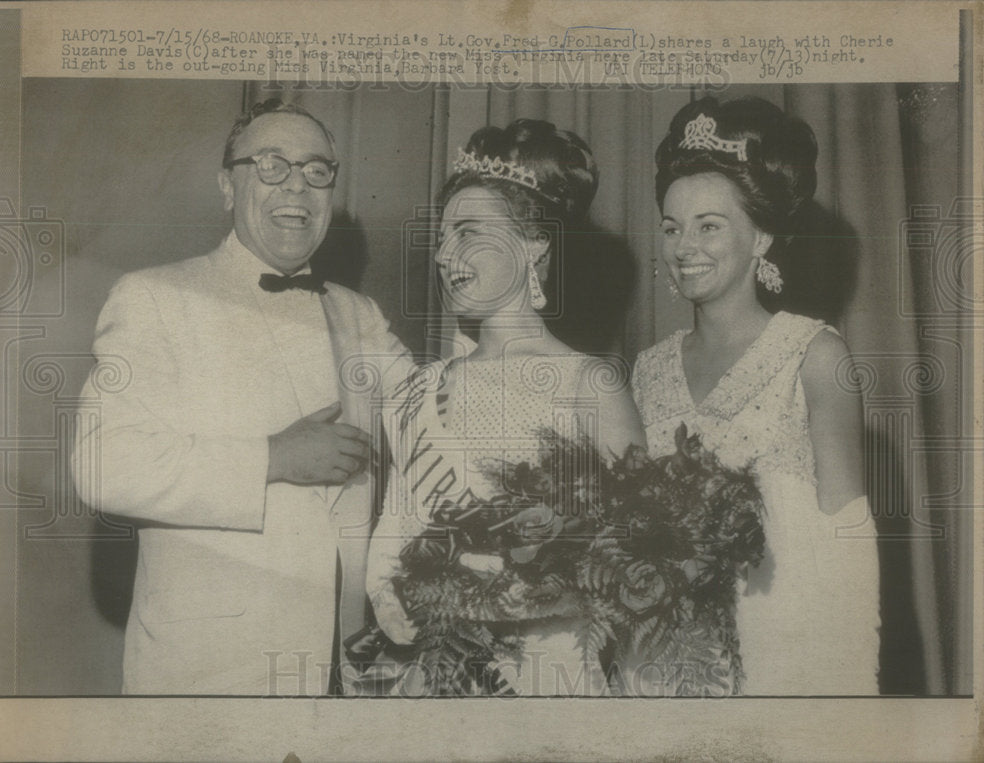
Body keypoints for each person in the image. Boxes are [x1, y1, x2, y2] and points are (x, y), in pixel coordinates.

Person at [71, 99, 411, 695]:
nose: (297, 188)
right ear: (228, 187)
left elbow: (433, 418)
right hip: (210, 673)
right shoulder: (154, 297)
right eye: (272, 165)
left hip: (347, 675)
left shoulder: (360, 316)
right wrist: (273, 458)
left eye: (316, 170)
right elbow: (101, 466)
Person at [364, 119, 646, 696]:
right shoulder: (420, 388)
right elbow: (393, 537)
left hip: (550, 674)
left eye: (468, 233)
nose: (445, 255)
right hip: (434, 674)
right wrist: (401, 603)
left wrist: (515, 595)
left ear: (533, 242)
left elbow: (640, 560)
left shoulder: (589, 384)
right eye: (443, 237)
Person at [628, 96, 880, 695]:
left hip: (784, 664)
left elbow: (851, 548)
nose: (684, 246)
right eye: (672, 227)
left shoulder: (816, 355)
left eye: (709, 225)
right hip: (665, 666)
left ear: (762, 236)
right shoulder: (646, 370)